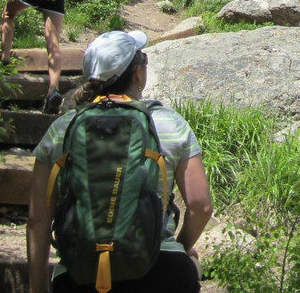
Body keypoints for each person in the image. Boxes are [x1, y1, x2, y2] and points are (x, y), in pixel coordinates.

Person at [27, 30, 213, 293]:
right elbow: (201, 206)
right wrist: (180, 247)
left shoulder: (62, 130)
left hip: (80, 273)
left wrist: (37, 288)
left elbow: (38, 220)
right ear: (138, 73)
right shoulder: (170, 124)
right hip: (163, 270)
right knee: (191, 264)